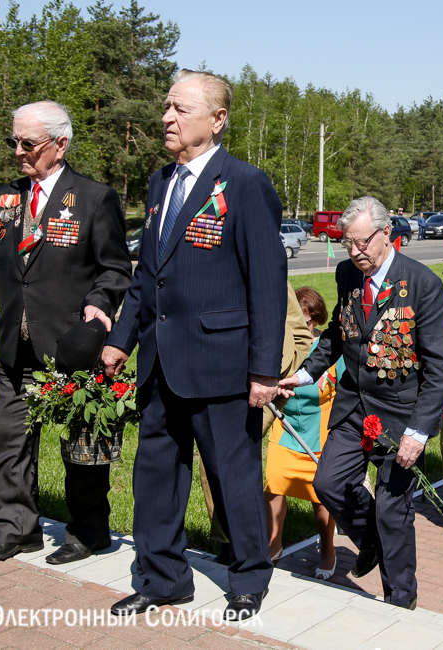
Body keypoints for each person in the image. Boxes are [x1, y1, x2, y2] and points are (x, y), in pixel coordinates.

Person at [101, 69, 287, 618]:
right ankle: (163, 577)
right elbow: (147, 277)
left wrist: (263, 370)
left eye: (180, 109)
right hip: (160, 361)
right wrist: (119, 340)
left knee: (233, 476)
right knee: (156, 474)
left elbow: (268, 285)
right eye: (167, 108)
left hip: (223, 364)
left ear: (217, 120)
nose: (166, 118)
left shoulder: (245, 183)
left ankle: (250, 576)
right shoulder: (162, 183)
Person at [0, 100, 133, 566]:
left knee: (81, 450)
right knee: (7, 443)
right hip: (16, 346)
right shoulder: (5, 199)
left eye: (28, 143)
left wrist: (98, 304)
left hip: (72, 348)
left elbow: (115, 270)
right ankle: (13, 530)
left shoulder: (93, 198)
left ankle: (88, 532)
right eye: (14, 141)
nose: (18, 152)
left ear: (60, 143)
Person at [278, 196, 443, 610]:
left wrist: (418, 430)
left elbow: (440, 366)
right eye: (347, 243)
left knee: (394, 510)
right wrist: (305, 373)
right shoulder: (347, 275)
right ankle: (370, 541)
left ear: (385, 234)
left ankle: (400, 600)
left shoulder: (422, 284)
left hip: (400, 417)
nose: (355, 252)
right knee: (328, 483)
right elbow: (339, 334)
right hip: (354, 407)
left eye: (362, 243)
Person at [202, 282, 310, 565]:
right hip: (220, 381)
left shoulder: (270, 275)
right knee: (211, 461)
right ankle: (229, 539)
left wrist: (283, 373)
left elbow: (300, 333)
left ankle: (243, 544)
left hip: (267, 387)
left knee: (233, 456)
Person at [263, 287, 341, 579]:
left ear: (316, 321)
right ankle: (274, 544)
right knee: (273, 485)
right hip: (285, 427)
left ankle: (328, 549)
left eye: (307, 322)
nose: (302, 327)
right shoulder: (281, 345)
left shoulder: (328, 348)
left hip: (319, 431)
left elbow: (345, 388)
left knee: (320, 498)